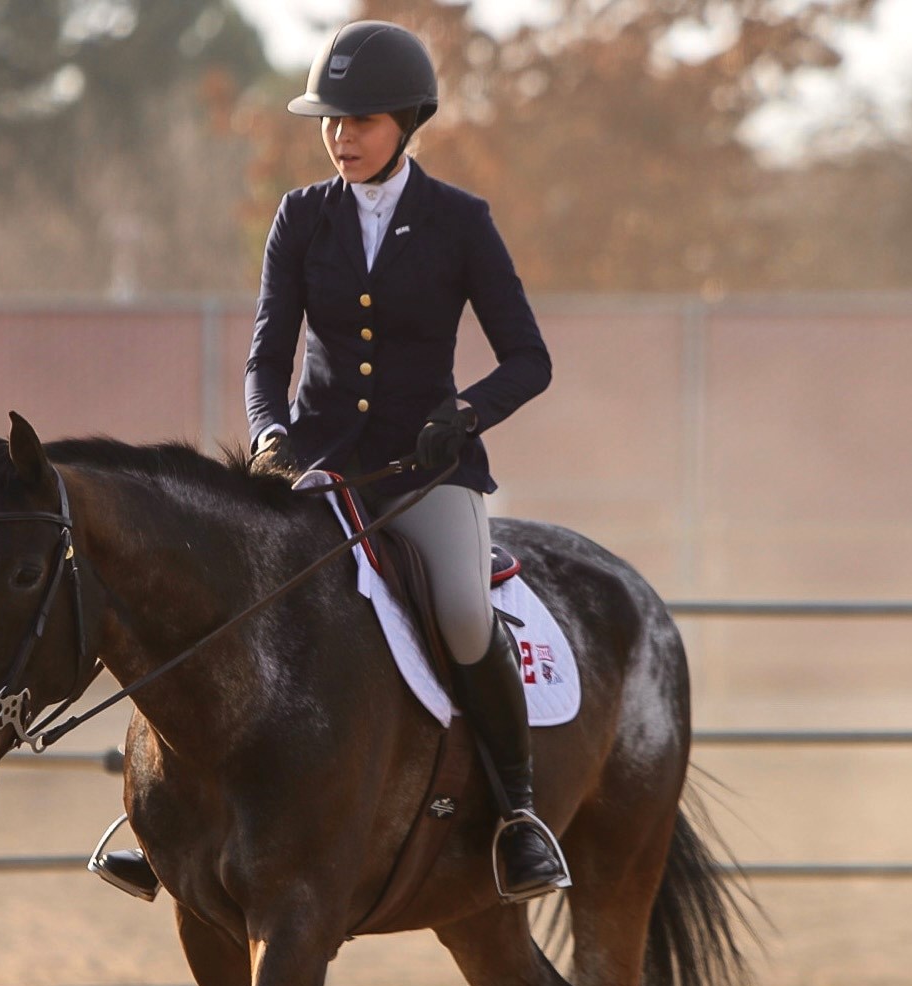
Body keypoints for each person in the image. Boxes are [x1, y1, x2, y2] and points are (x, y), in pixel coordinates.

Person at [91, 19, 569, 903]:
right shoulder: (300, 217)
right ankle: (154, 813)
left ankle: (518, 813)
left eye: (361, 121)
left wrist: (462, 415)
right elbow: (266, 356)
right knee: (206, 587)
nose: (341, 136)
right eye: (332, 121)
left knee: (465, 612)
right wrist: (269, 435)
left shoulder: (462, 223)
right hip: (311, 463)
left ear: (408, 122)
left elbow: (529, 359)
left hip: (426, 473)